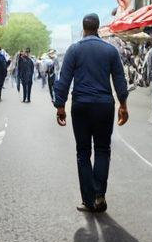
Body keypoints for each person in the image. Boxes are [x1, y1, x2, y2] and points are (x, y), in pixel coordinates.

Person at [53, 14, 129, 214]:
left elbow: (64, 79)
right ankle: (99, 195)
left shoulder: (74, 49)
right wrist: (123, 104)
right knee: (103, 150)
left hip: (81, 106)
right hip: (104, 106)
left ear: (83, 28)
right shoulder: (110, 50)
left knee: (83, 152)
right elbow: (120, 79)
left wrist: (60, 105)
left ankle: (88, 199)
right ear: (98, 29)